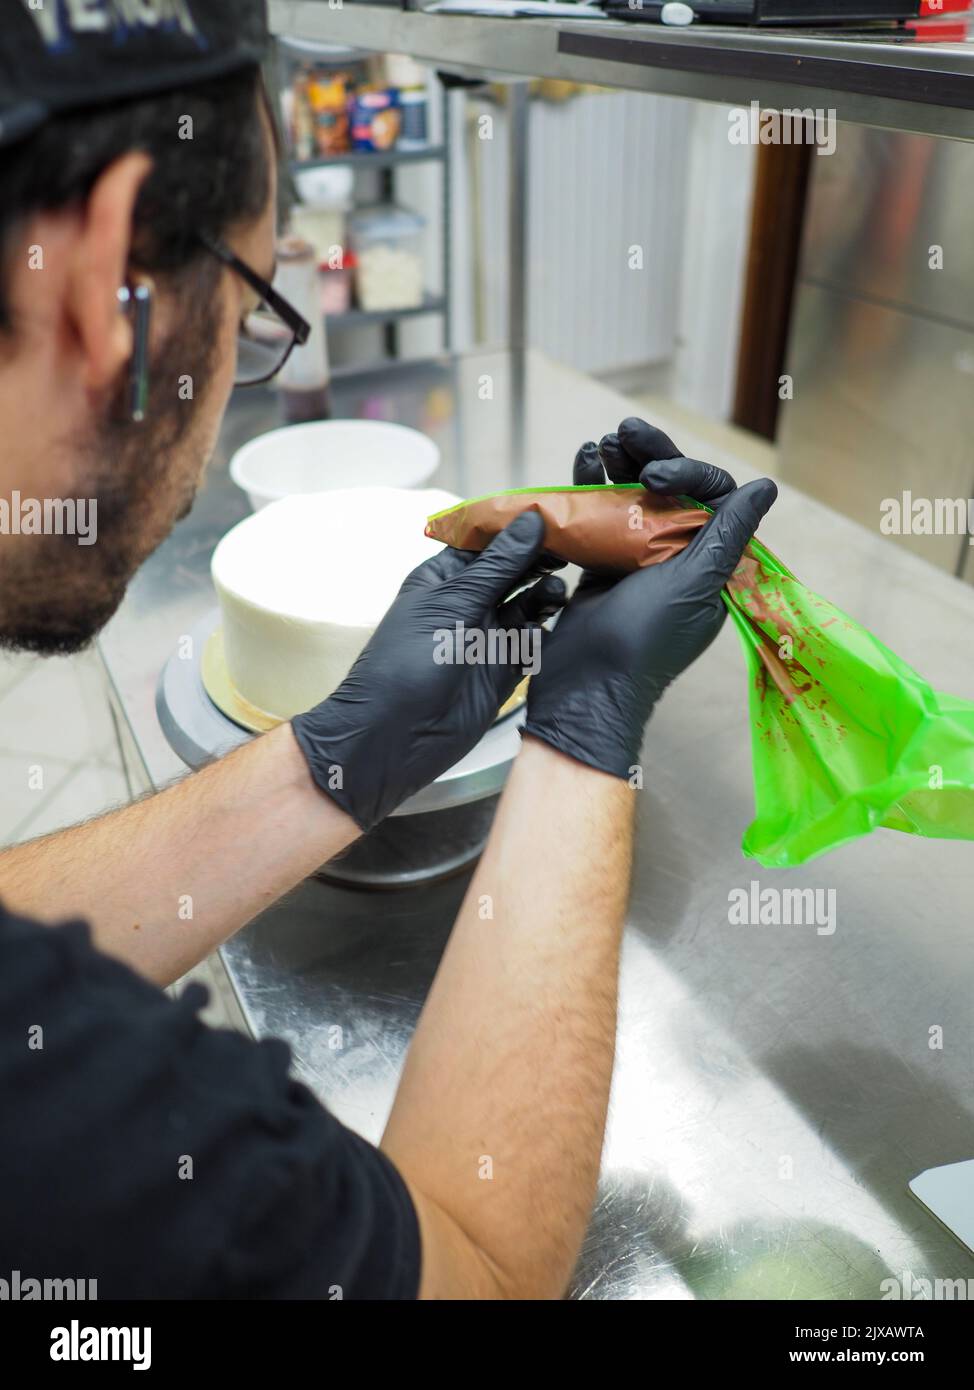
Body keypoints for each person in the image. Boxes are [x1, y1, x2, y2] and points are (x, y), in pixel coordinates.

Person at [0, 2, 776, 1299]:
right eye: (249, 315)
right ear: (107, 288)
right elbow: (472, 1267)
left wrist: (332, 758)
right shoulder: (67, 1131)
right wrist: (582, 731)